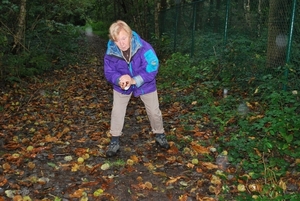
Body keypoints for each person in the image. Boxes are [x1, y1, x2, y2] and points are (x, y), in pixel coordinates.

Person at [103, 20, 170, 157]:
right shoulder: (110, 52)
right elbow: (109, 72)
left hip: (145, 83)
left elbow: (152, 67)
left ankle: (159, 134)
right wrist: (119, 79)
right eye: (117, 40)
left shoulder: (144, 47)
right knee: (117, 111)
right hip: (122, 85)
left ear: (130, 35)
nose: (121, 43)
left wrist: (135, 80)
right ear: (113, 40)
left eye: (124, 38)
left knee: (154, 111)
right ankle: (114, 140)